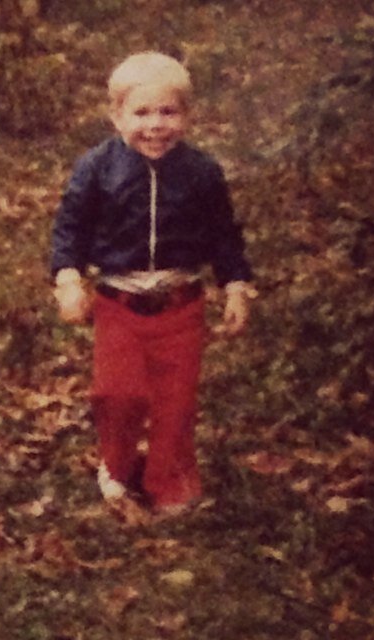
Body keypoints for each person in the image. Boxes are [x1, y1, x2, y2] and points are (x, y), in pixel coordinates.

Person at [51, 51, 255, 515]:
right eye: (141, 113)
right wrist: (68, 279)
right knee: (117, 394)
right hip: (119, 301)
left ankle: (169, 479)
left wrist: (236, 285)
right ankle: (118, 467)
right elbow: (70, 229)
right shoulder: (96, 168)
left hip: (181, 304)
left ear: (187, 116)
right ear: (116, 115)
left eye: (168, 112)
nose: (155, 126)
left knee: (175, 402)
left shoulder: (201, 172)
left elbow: (225, 234)